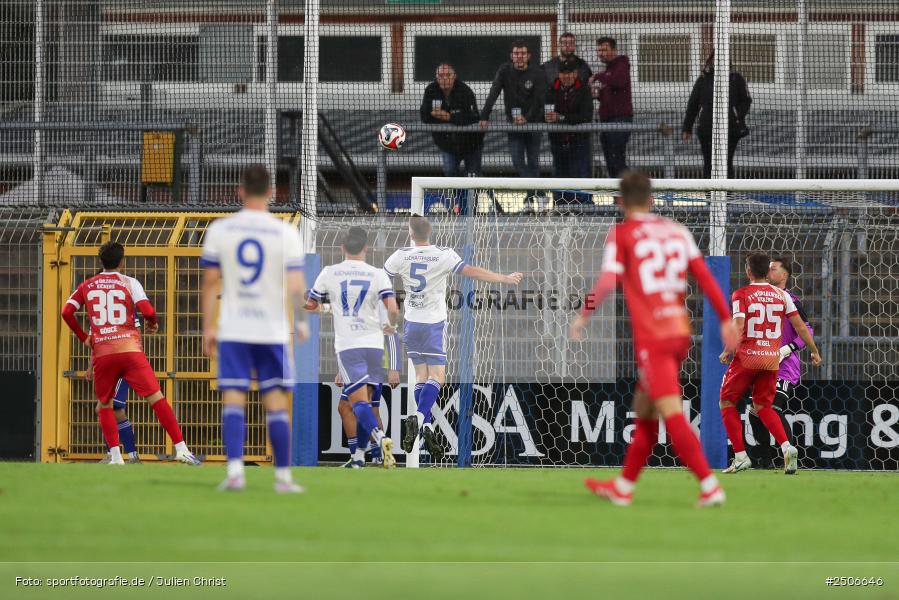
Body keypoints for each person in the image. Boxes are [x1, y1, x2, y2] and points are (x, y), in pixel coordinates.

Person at [570, 171, 739, 508]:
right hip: (679, 331)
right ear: (651, 200)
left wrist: (583, 313)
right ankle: (624, 487)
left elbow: (607, 280)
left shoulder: (622, 234)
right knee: (645, 410)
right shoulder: (677, 231)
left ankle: (709, 485)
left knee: (670, 412)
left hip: (653, 337)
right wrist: (725, 320)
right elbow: (705, 277)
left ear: (620, 202)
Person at [201, 164, 308, 493]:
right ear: (272, 193)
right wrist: (301, 322)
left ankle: (235, 473)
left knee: (234, 399)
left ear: (240, 190)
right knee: (275, 402)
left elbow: (209, 281)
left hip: (233, 327)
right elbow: (295, 285)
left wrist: (208, 327)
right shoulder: (285, 232)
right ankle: (283, 479)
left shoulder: (221, 229)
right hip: (271, 330)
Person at [385, 216, 522, 459]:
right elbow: (471, 271)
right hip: (434, 325)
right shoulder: (443, 254)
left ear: (410, 233)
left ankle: (425, 425)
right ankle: (417, 419)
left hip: (411, 323)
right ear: (431, 232)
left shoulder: (400, 255)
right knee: (438, 377)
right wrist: (503, 278)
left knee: (421, 376)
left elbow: (382, 280)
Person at [62, 242, 200, 466]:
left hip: (103, 353)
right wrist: (152, 323)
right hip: (130, 351)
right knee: (156, 398)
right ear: (122, 261)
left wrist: (83, 337)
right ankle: (181, 449)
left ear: (100, 262)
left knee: (104, 405)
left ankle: (116, 457)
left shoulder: (86, 285)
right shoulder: (129, 282)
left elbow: (66, 312)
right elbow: (148, 311)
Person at [718, 253, 821, 476]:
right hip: (771, 358)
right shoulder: (781, 296)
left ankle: (740, 456)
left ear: (748, 271)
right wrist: (814, 351)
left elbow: (739, 324)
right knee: (762, 407)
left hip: (748, 356)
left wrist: (728, 349)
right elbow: (802, 328)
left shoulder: (741, 293)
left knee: (727, 401)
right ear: (767, 272)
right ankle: (785, 447)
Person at [305, 226, 399, 469]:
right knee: (357, 404)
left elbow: (310, 305)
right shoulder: (377, 275)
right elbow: (392, 313)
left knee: (360, 404)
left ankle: (380, 441)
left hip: (350, 348)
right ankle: (358, 457)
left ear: (342, 248)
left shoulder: (330, 272)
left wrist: (323, 308)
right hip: (375, 349)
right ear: (366, 248)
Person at [747, 255, 814, 469]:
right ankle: (765, 461)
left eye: (774, 269)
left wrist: (787, 349)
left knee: (771, 407)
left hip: (783, 366)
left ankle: (789, 454)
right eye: (768, 268)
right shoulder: (761, 297)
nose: (769, 272)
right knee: (755, 411)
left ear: (785, 275)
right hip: (761, 362)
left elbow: (807, 329)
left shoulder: (790, 300)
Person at [480, 40, 547, 188]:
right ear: (511, 55)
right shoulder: (504, 71)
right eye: (516, 53)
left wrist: (527, 118)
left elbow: (539, 100)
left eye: (523, 53)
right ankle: (535, 195)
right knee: (517, 161)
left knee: (533, 162)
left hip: (533, 124)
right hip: (514, 126)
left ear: (528, 56)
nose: (520, 56)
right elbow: (493, 93)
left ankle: (535, 199)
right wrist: (484, 116)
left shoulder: (537, 73)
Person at [681, 52, 752, 178]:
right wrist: (687, 128)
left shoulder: (736, 79)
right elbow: (693, 104)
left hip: (730, 130)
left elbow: (746, 101)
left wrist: (735, 114)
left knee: (726, 162)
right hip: (706, 130)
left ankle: (728, 194)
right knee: (709, 163)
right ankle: (709, 194)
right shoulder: (703, 79)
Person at [546, 59, 594, 207]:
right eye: (563, 73)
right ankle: (560, 207)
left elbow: (586, 116)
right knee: (559, 175)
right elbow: (544, 111)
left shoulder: (584, 90)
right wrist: (548, 117)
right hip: (557, 142)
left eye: (570, 73)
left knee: (581, 175)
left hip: (579, 142)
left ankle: (585, 208)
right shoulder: (551, 89)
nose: (566, 76)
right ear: (559, 74)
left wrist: (561, 117)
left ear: (576, 74)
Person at [589, 37, 633, 177]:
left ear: (614, 50)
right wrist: (597, 94)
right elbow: (610, 91)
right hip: (606, 119)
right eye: (599, 50)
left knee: (617, 159)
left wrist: (597, 76)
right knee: (610, 160)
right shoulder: (609, 69)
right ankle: (617, 197)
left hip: (620, 119)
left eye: (604, 50)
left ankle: (628, 194)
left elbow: (618, 81)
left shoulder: (622, 63)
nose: (601, 53)